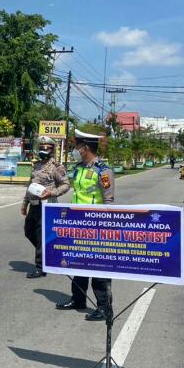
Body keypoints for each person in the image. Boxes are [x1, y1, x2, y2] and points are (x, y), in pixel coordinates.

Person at [55, 130, 115, 322]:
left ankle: (105, 308)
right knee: (78, 263)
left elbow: (108, 201)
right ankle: (78, 299)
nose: (74, 150)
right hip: (78, 226)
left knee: (98, 268)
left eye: (76, 146)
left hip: (96, 227)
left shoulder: (103, 171)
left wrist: (105, 228)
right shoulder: (79, 168)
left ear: (85, 148)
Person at [21, 136, 70, 279]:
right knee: (29, 231)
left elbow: (66, 185)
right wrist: (25, 203)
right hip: (34, 205)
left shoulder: (56, 167)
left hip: (47, 206)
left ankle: (40, 267)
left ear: (52, 150)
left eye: (46, 148)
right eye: (41, 147)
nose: (43, 150)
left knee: (41, 235)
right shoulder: (36, 165)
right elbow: (30, 185)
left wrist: (51, 192)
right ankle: (49, 252)